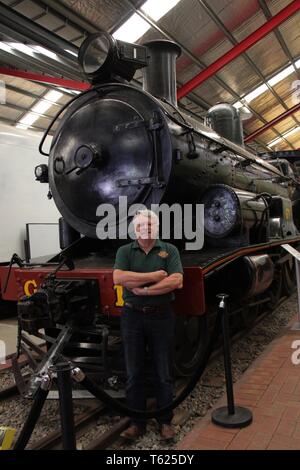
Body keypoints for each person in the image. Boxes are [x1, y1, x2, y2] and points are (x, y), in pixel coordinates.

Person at [113, 209, 183, 441]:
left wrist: (143, 289)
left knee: (163, 372)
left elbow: (176, 280)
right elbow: (119, 279)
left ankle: (165, 421)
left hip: (161, 316)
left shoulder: (169, 250)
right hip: (132, 316)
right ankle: (137, 423)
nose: (146, 229)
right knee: (134, 372)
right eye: (142, 226)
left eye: (151, 226)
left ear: (157, 228)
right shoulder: (125, 251)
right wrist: (154, 276)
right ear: (135, 229)